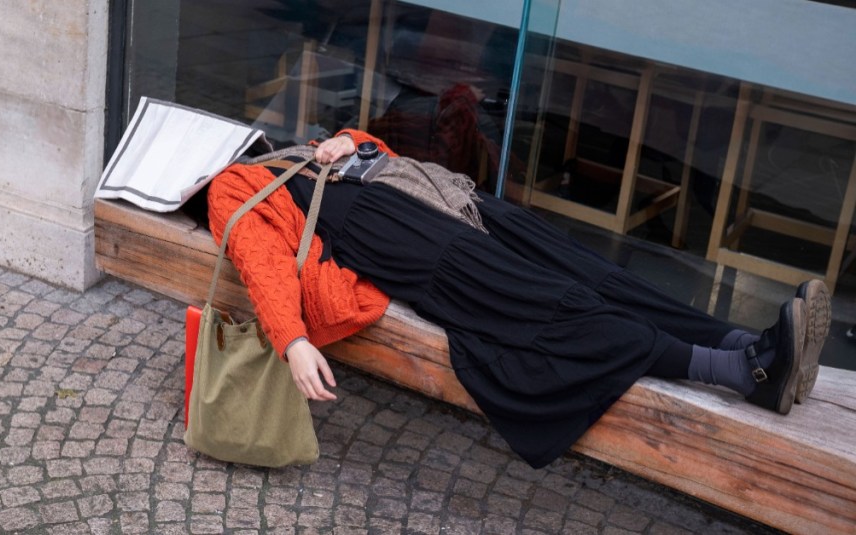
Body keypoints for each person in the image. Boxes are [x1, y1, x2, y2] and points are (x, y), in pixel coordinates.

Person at [206, 129, 831, 469]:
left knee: (592, 270)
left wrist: (348, 140)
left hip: (455, 205)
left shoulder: (290, 149)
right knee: (556, 301)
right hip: (411, 243)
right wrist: (290, 340)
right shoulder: (232, 185)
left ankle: (745, 342)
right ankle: (745, 372)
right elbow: (262, 263)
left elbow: (382, 155)